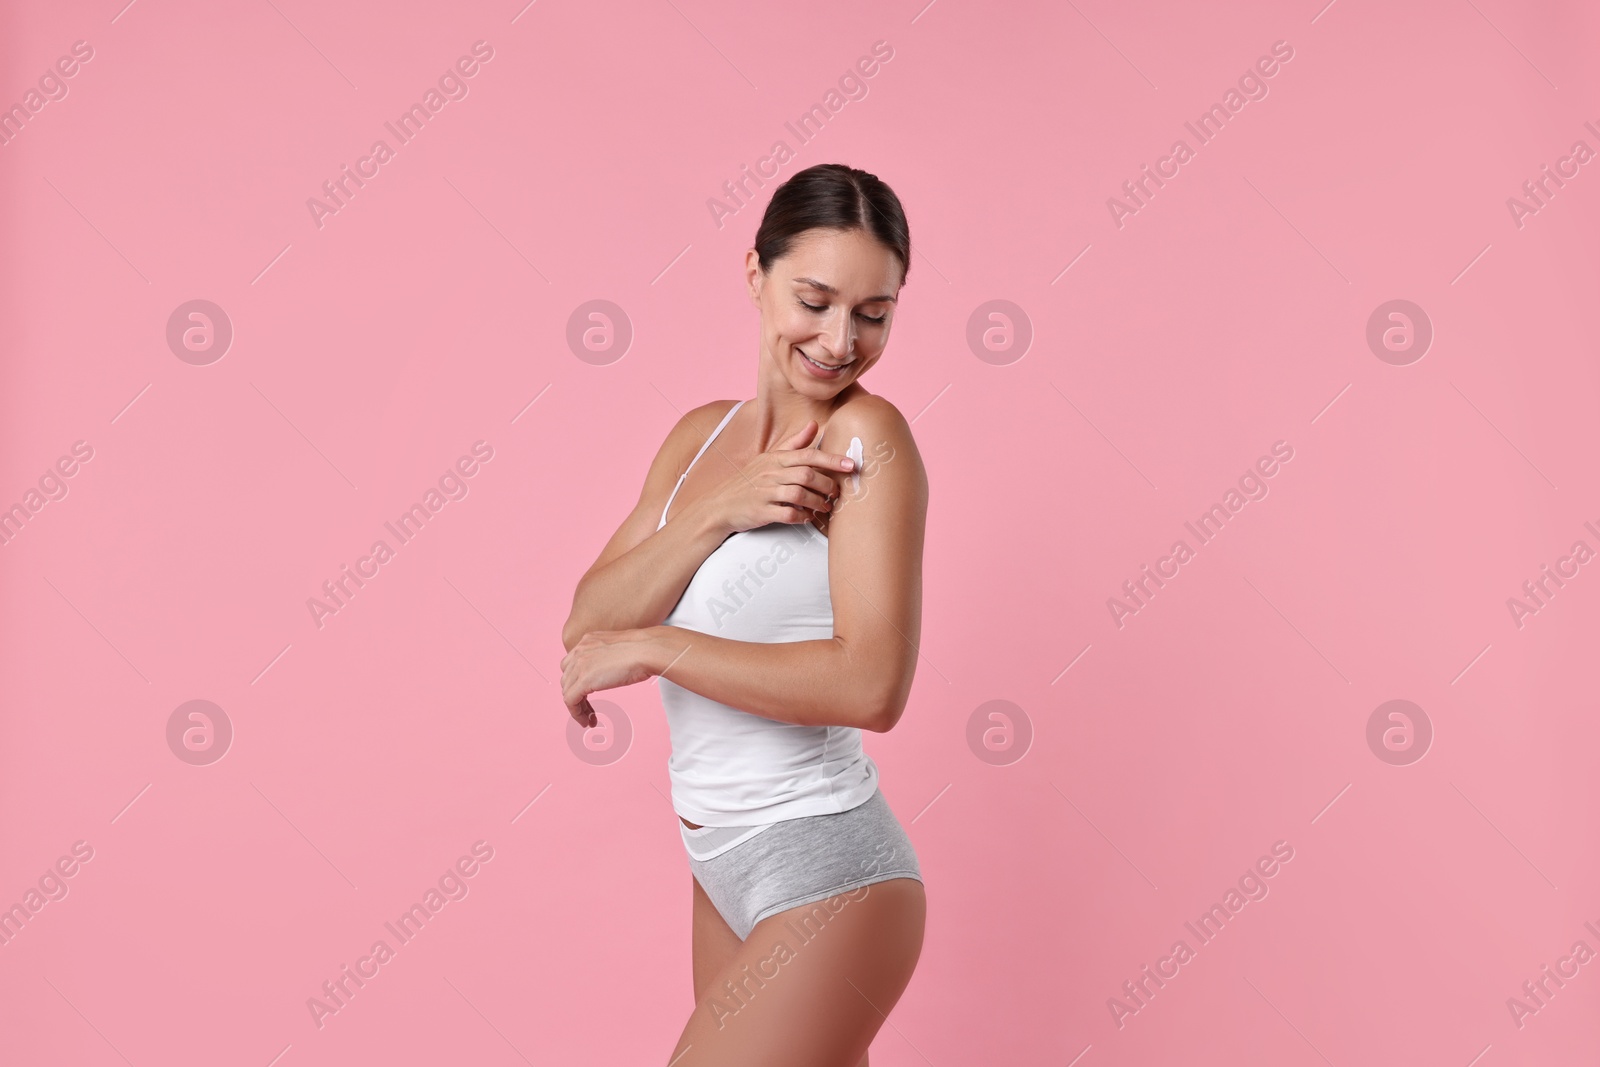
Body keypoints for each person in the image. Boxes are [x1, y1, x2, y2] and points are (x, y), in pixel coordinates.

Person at [560, 162, 928, 1067]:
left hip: (828, 867)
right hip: (721, 868)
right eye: (815, 298)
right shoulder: (700, 439)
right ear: (755, 273)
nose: (841, 340)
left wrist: (662, 644)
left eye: (873, 312)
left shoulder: (866, 443)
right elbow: (587, 621)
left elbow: (871, 683)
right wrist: (720, 506)